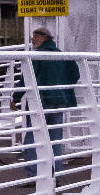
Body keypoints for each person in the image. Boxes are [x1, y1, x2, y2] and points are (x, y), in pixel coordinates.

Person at [12, 27, 79, 177]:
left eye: (34, 37)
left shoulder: (37, 56)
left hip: (40, 101)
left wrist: (16, 98)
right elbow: (75, 74)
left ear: (43, 37)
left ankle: (33, 174)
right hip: (59, 101)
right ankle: (57, 174)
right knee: (55, 139)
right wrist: (64, 89)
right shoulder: (63, 56)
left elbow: (26, 79)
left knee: (33, 137)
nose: (32, 40)